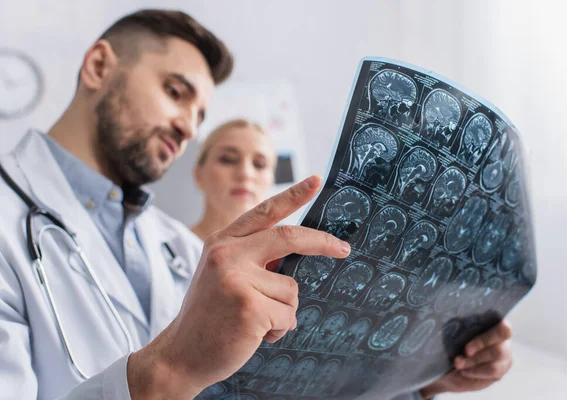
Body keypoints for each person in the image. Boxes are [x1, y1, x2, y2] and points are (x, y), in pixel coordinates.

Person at [0, 8, 513, 400]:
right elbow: (174, 372)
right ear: (97, 67)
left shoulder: (178, 246)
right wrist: (167, 371)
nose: (187, 126)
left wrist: (421, 376)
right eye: (175, 91)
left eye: (199, 113)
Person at [189, 119, 277, 242]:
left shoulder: (286, 256)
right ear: (198, 174)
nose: (245, 173)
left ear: (271, 180)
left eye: (259, 164)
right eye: (228, 159)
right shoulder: (166, 251)